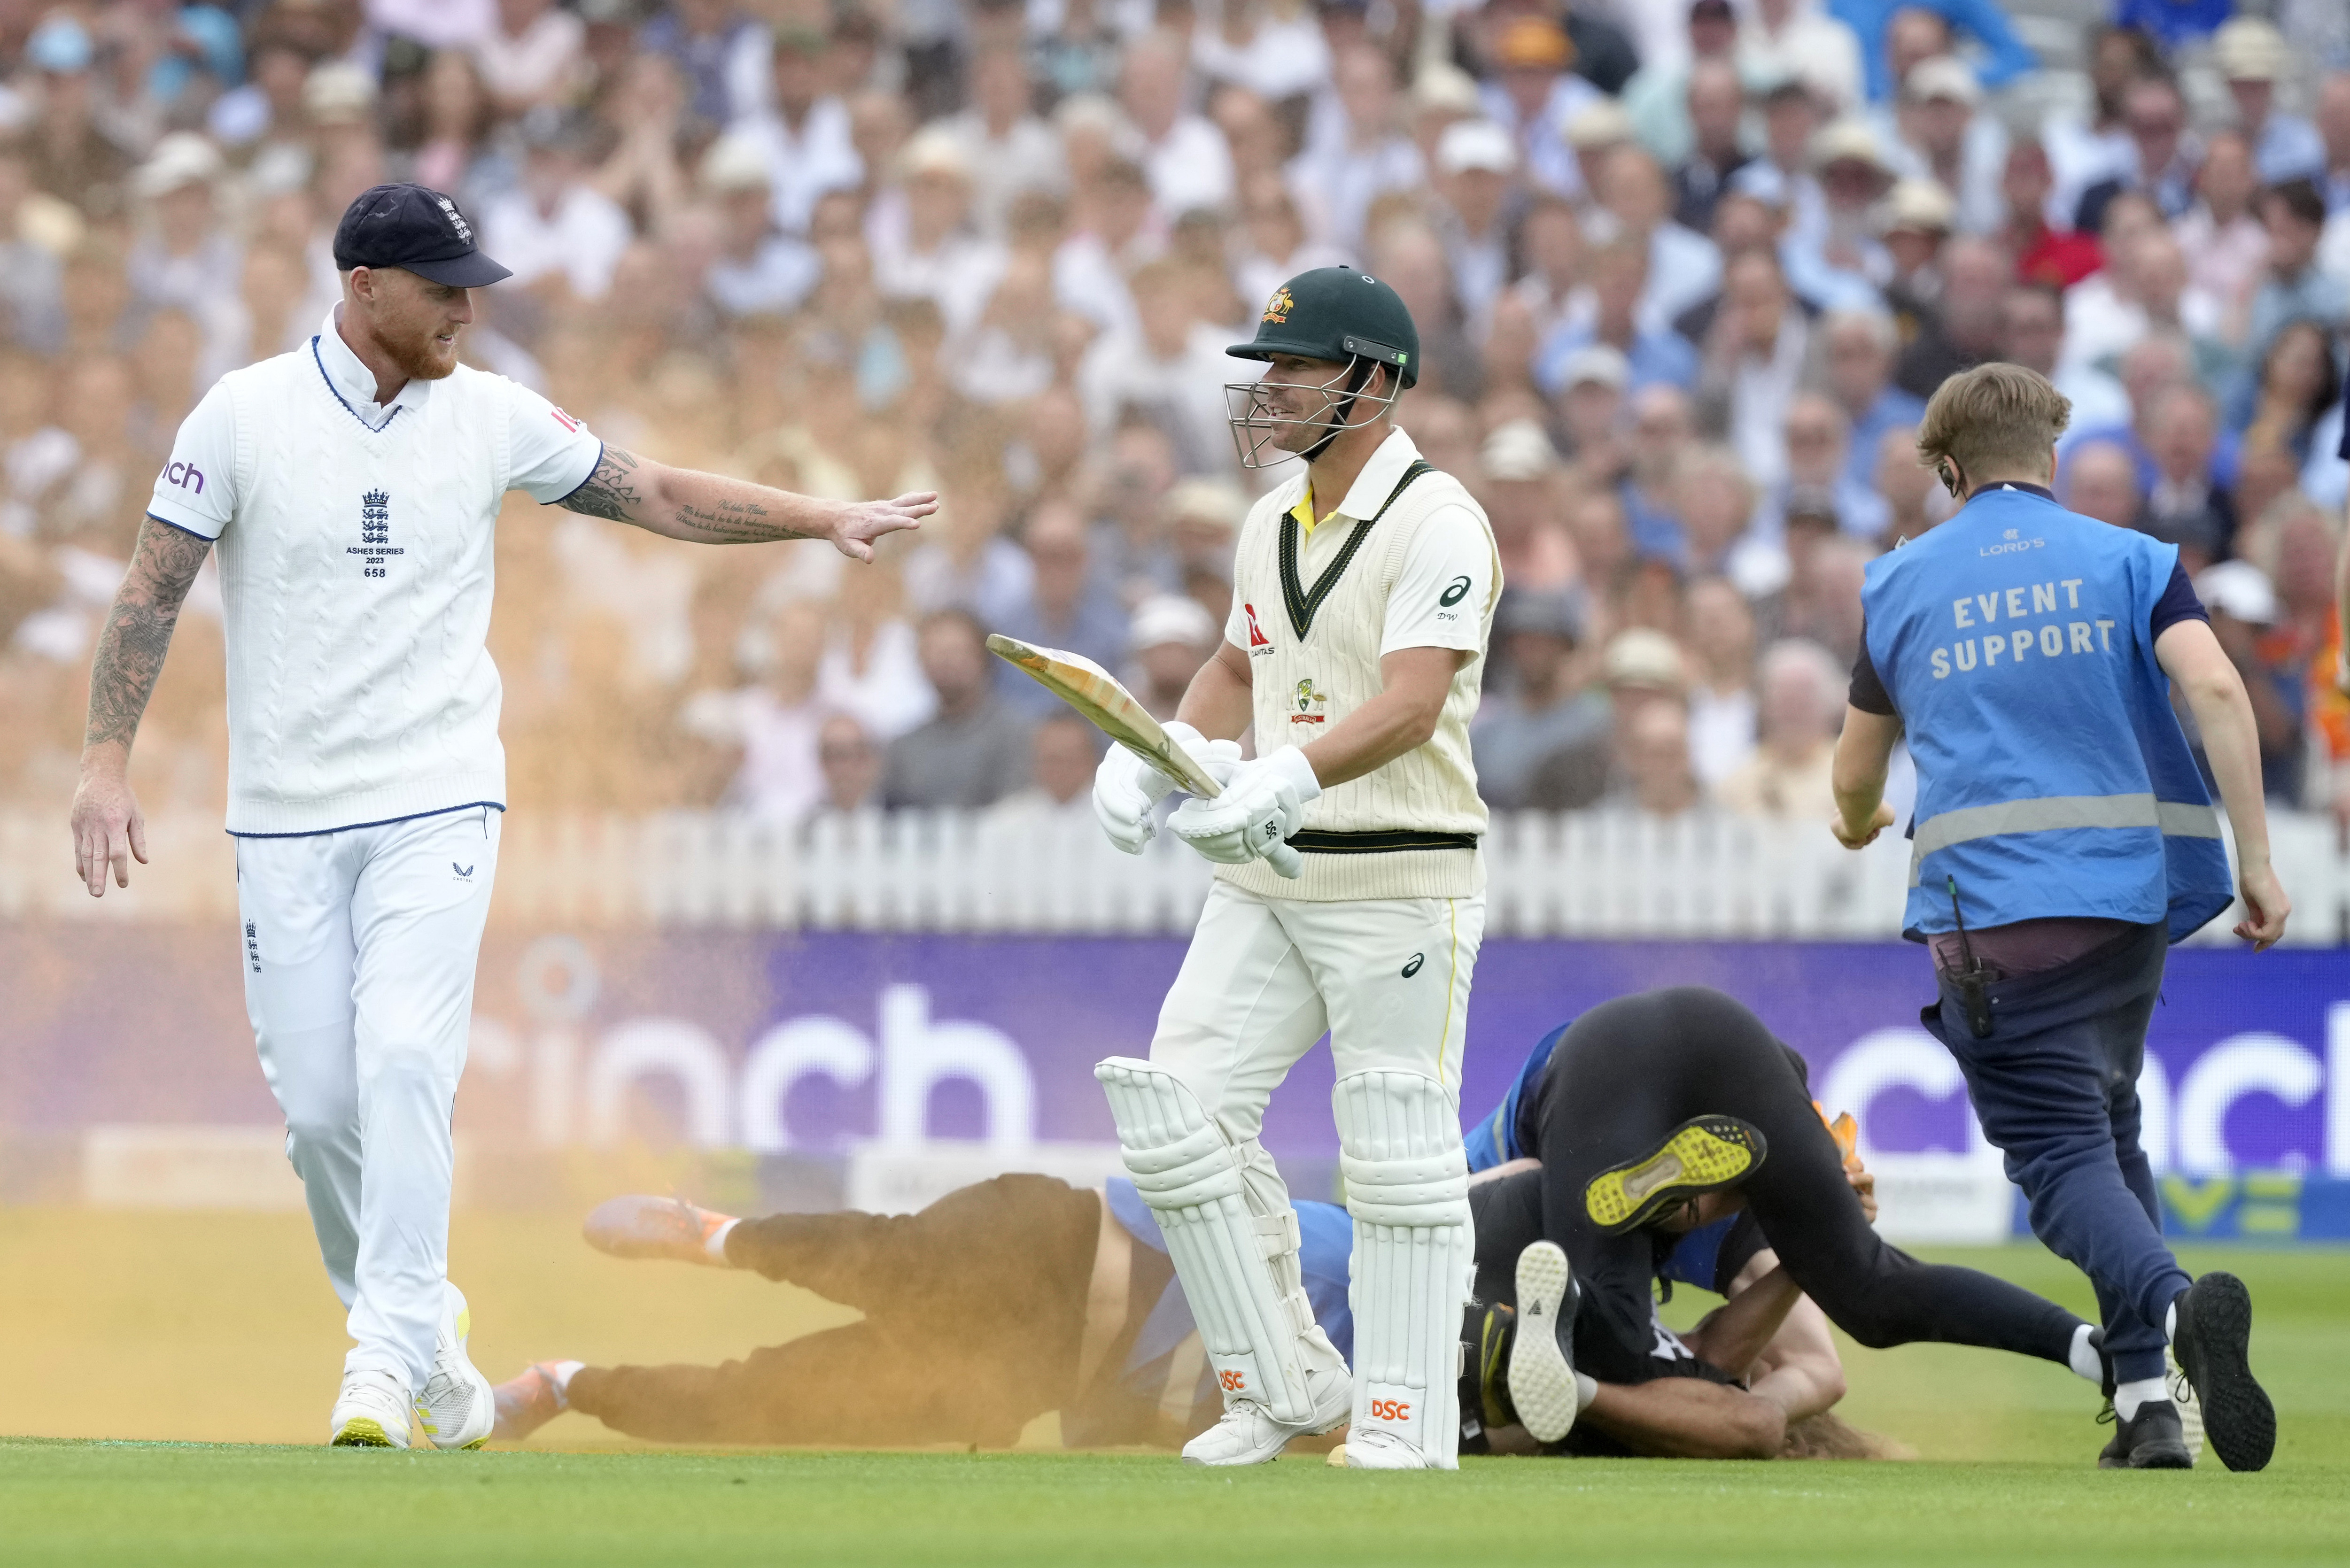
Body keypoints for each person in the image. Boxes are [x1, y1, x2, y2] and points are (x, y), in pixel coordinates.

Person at [64, 183, 933, 1451]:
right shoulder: (241, 414)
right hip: (285, 817)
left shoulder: (492, 413)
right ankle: (434, 1357)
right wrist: (103, 761)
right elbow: (152, 590)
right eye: (443, 287)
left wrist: (821, 519)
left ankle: (373, 1365)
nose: (468, 308)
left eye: (474, 284)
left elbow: (655, 493)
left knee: (409, 1058)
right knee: (319, 1113)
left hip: (439, 795)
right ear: (364, 286)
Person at [1830, 361, 2285, 1472]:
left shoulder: (1900, 583)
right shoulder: (2135, 560)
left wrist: (1858, 822)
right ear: (2050, 456)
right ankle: (2147, 1406)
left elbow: (1854, 771)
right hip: (2127, 904)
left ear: (1948, 470)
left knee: (2058, 1158)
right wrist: (2257, 859)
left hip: (1991, 924)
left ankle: (2178, 1311)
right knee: (2111, 1126)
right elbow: (2218, 690)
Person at [1089, 267, 1499, 1470]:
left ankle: (1405, 1418)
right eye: (1265, 369)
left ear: (1370, 381)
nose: (1266, 393)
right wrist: (1161, 751)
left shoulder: (1440, 519)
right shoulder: (1271, 521)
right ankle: (1282, 1381)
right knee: (1180, 1119)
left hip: (1397, 874)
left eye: (1294, 368)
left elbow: (1416, 702)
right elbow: (1235, 664)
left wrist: (1291, 775)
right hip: (1270, 871)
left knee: (1395, 1148)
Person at [1460, 988, 2104, 1453]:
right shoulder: (1738, 1244)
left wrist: (1735, 1398)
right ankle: (2088, 1348)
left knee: (1616, 1337)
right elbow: (1805, 1366)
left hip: (1598, 1077)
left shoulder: (1550, 1182)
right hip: (1739, 1050)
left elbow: (1505, 1186)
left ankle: (1617, 1256)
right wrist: (1814, 1238)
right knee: (1871, 1289)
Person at [490, 1177, 1357, 1451]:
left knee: (767, 1404)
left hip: (1031, 1377)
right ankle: (716, 1235)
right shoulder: (1345, 1258)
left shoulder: (1381, 1411)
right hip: (1053, 1249)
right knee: (891, 1263)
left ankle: (564, 1387)